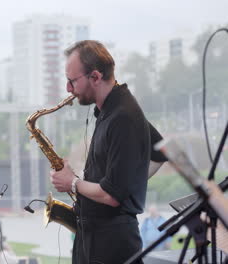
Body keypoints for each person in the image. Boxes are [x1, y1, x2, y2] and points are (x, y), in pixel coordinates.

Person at [50, 40, 167, 263]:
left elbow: (112, 195)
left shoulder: (123, 116)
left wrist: (73, 182)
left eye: (72, 80)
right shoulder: (111, 109)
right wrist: (129, 182)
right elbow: (160, 152)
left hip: (111, 244)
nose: (68, 89)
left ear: (95, 77)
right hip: (98, 239)